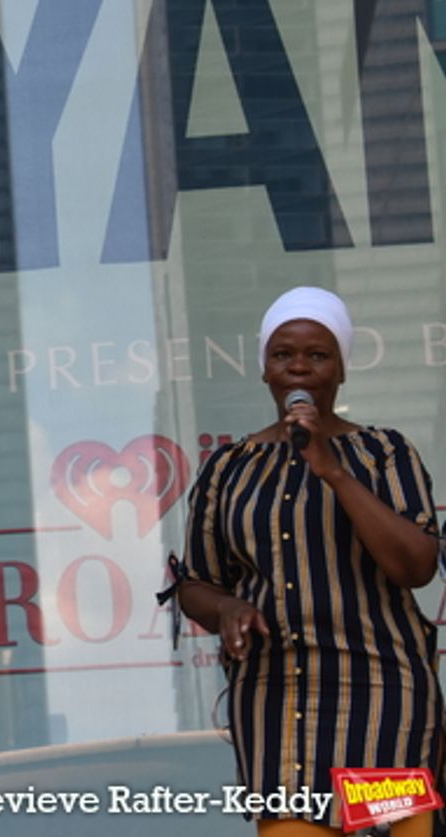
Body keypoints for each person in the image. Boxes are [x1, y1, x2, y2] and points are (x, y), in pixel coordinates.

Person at [174, 286, 443, 836]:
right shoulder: (229, 467)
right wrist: (226, 608)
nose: (298, 367)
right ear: (265, 370)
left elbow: (416, 567)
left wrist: (332, 470)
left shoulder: (383, 453)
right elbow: (195, 583)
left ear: (340, 369)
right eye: (283, 354)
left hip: (381, 700)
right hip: (274, 704)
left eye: (317, 355)